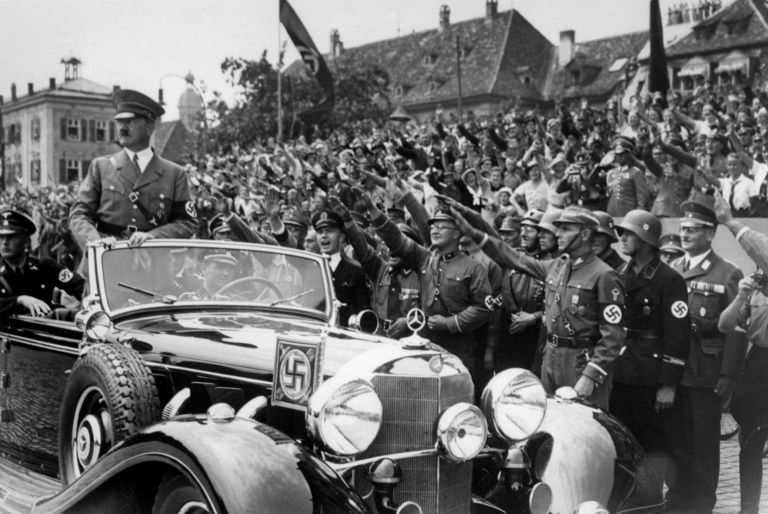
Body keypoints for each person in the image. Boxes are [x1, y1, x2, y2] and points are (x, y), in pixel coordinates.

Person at [453, 206, 625, 409]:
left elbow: (614, 337)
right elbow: (511, 257)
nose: (557, 233)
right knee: (549, 420)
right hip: (551, 356)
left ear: (585, 234)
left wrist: (591, 375)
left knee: (582, 425)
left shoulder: (604, 275)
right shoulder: (557, 265)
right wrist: (473, 233)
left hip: (580, 362)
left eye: (566, 229)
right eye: (558, 228)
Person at [666, 199, 747, 512]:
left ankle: (701, 503)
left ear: (710, 234)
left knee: (702, 447)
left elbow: (737, 330)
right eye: (683, 229)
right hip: (676, 373)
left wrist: (728, 377)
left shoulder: (727, 272)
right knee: (677, 441)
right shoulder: (674, 269)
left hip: (706, 374)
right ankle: (677, 499)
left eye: (693, 229)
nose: (685, 234)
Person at [359, 191, 492, 379]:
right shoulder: (425, 259)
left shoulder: (473, 268)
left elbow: (484, 308)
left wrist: (450, 323)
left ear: (457, 232)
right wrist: (374, 212)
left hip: (458, 346)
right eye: (433, 227)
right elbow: (396, 239)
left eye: (442, 226)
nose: (435, 230)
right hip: (425, 341)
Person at [609, 210, 690, 503]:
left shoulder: (669, 279)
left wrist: (669, 383)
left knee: (652, 446)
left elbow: (678, 334)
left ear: (646, 238)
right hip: (622, 371)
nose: (623, 239)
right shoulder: (620, 274)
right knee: (621, 442)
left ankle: (651, 504)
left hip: (650, 376)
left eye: (629, 234)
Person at [69, 89, 198, 251]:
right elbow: (79, 214)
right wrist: (95, 242)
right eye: (120, 122)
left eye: (130, 121)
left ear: (150, 127)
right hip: (108, 262)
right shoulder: (101, 167)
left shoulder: (174, 174)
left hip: (153, 265)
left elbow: (187, 222)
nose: (123, 127)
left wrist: (155, 236)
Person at [713, 191, 768, 514]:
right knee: (749, 446)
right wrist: (740, 298)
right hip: (761, 366)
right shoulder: (758, 290)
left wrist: (731, 223)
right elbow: (727, 325)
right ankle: (749, 510)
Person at [327, 195, 420, 338]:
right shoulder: (380, 269)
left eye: (397, 246)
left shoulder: (422, 274)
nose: (391, 250)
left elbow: (433, 312)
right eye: (388, 245)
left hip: (409, 340)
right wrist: (347, 220)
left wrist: (410, 321)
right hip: (378, 338)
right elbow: (361, 245)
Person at [0, 210, 85, 317]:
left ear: (26, 241)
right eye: (1, 237)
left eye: (11, 237)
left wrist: (92, 299)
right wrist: (19, 300)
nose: (4, 243)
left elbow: (78, 285)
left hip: (45, 328)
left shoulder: (44, 266)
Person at [310, 210, 370, 327]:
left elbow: (363, 312)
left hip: (342, 337)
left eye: (330, 231)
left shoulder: (355, 270)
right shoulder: (311, 267)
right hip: (314, 331)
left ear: (341, 237)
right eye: (320, 232)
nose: (324, 236)